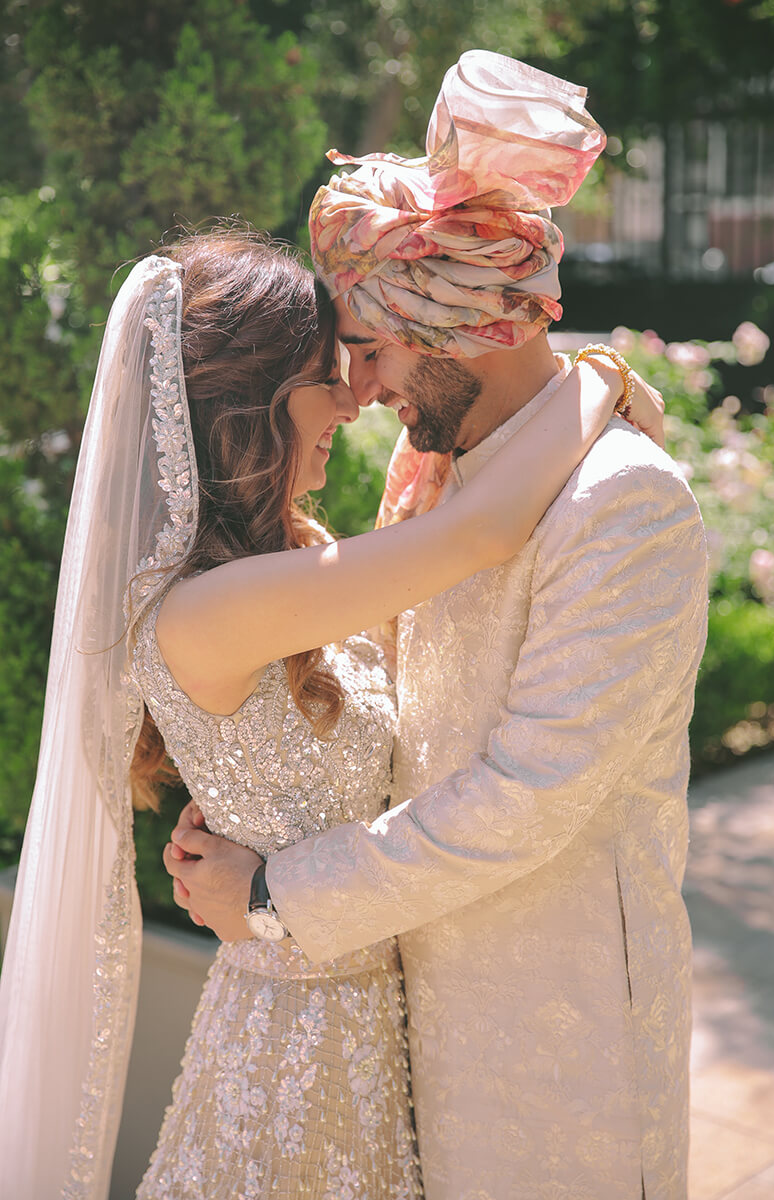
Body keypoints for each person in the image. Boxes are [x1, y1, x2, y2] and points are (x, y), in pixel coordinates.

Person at [0, 217, 656, 1200]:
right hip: (288, 1056)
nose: (354, 399)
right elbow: (479, 534)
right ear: (249, 409)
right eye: (325, 374)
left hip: (379, 1028)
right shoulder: (207, 608)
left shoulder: (286, 558)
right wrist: (593, 377)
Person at [166, 52, 709, 1200]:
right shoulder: (435, 477)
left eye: (368, 347)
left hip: (555, 1039)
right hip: (396, 1011)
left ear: (462, 323)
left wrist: (276, 895)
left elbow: (528, 789)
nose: (357, 389)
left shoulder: (624, 502)